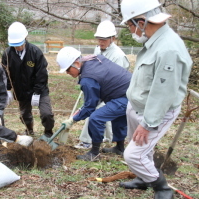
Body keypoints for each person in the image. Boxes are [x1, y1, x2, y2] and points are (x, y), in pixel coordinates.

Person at [119, 0, 193, 198]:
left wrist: (149, 123)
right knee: (143, 149)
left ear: (142, 21)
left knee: (133, 155)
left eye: (130, 25)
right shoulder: (154, 41)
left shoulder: (168, 49)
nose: (131, 30)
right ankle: (143, 179)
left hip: (155, 112)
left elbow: (163, 92)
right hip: (139, 105)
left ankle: (162, 187)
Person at [57, 47, 131, 161]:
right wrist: (81, 110)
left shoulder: (88, 78)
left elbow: (90, 106)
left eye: (67, 69)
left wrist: (73, 119)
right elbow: (94, 98)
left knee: (96, 118)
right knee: (118, 118)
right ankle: (120, 148)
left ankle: (94, 152)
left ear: (76, 63)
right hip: (128, 91)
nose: (67, 73)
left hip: (125, 96)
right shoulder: (93, 60)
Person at [75, 20, 130, 151]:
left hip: (117, 91)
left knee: (96, 115)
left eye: (104, 39)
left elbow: (118, 79)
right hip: (104, 91)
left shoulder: (119, 56)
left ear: (113, 38)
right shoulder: (97, 50)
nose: (101, 42)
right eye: (99, 39)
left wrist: (77, 116)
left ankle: (91, 145)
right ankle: (116, 145)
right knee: (107, 114)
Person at [1, 22, 55, 137]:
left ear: (25, 38)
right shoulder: (7, 54)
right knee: (25, 114)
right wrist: (8, 90)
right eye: (15, 45)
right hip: (20, 89)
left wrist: (37, 92)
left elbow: (42, 74)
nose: (18, 47)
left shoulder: (35, 52)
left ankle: (48, 132)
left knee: (47, 113)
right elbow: (6, 74)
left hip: (39, 89)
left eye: (20, 44)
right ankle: (29, 129)